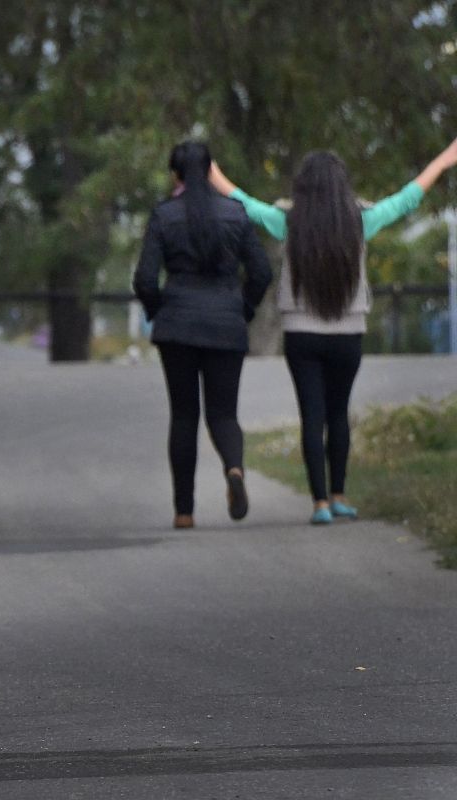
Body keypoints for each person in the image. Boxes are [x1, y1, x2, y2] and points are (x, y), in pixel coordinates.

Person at [210, 138, 457, 524]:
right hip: (348, 334)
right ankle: (340, 495)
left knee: (312, 415)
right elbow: (407, 198)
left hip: (301, 334)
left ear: (303, 187)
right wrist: (443, 160)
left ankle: (320, 503)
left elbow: (245, 203)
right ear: (343, 185)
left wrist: (211, 172)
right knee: (339, 413)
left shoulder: (288, 221)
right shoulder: (360, 219)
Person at [133, 141, 273, 530]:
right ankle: (234, 469)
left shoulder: (164, 216)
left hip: (177, 326)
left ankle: (184, 511)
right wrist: (241, 310)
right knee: (224, 413)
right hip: (226, 323)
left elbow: (144, 278)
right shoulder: (236, 214)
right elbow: (261, 273)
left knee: (183, 415)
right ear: (212, 171)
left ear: (175, 175)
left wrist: (159, 310)